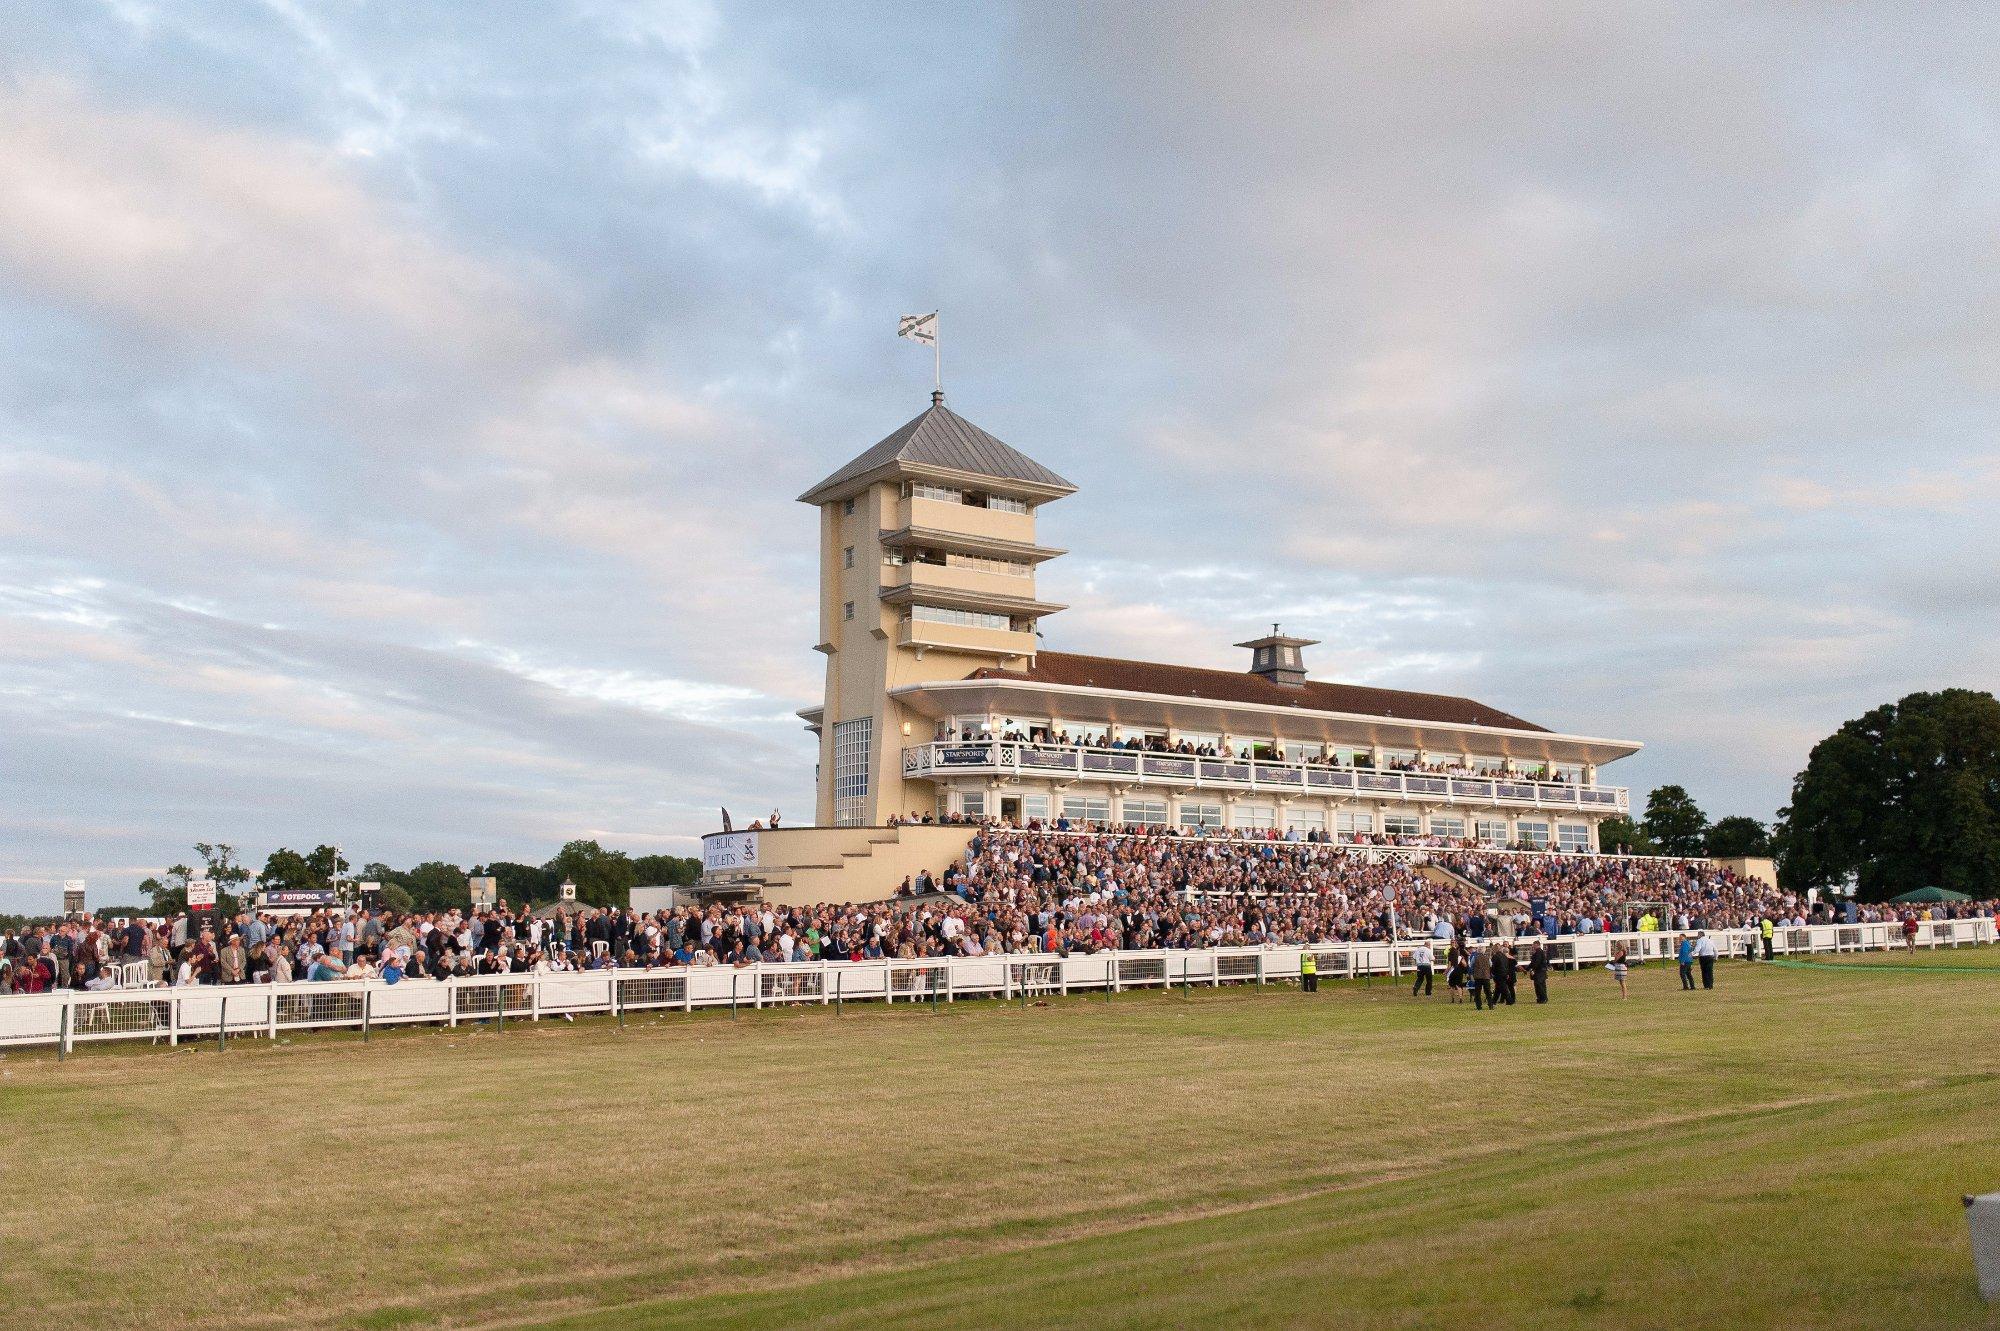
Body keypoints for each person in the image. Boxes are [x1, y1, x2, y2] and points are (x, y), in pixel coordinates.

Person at [1470, 944, 1493, 1011]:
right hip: (1486, 976)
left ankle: (1479, 1006)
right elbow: (1491, 965)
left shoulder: (1474, 958)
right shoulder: (1487, 958)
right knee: (1488, 992)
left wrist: (1472, 974)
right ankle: (1490, 1005)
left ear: (1477, 951)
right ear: (1484, 951)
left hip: (1478, 977)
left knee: (1477, 992)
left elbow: (1471, 965)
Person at [1528, 937, 1550, 1004]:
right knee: (1540, 985)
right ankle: (1541, 998)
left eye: (1533, 945)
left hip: (1539, 971)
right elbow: (1533, 962)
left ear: (1537, 945)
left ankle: (1543, 998)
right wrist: (1527, 969)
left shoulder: (1538, 952)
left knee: (1539, 985)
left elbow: (1536, 962)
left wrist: (1533, 969)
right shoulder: (1539, 952)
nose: (1532, 946)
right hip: (1541, 971)